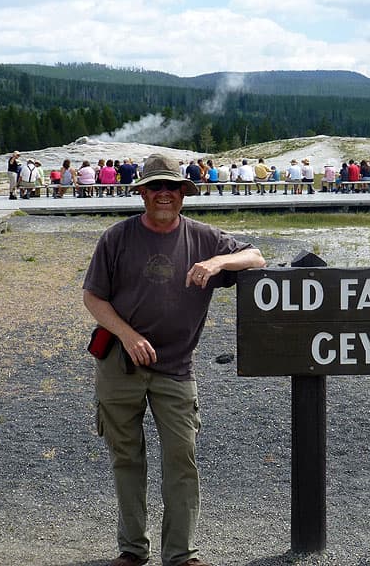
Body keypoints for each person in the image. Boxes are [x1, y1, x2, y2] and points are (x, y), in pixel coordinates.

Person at [83, 154, 265, 566]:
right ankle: (132, 550)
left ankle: (181, 554)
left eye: (172, 187)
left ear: (184, 193)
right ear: (142, 193)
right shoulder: (117, 238)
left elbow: (256, 258)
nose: (164, 194)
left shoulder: (203, 238)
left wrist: (218, 262)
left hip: (176, 368)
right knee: (126, 458)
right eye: (155, 187)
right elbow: (93, 296)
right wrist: (127, 335)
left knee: (181, 459)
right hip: (120, 363)